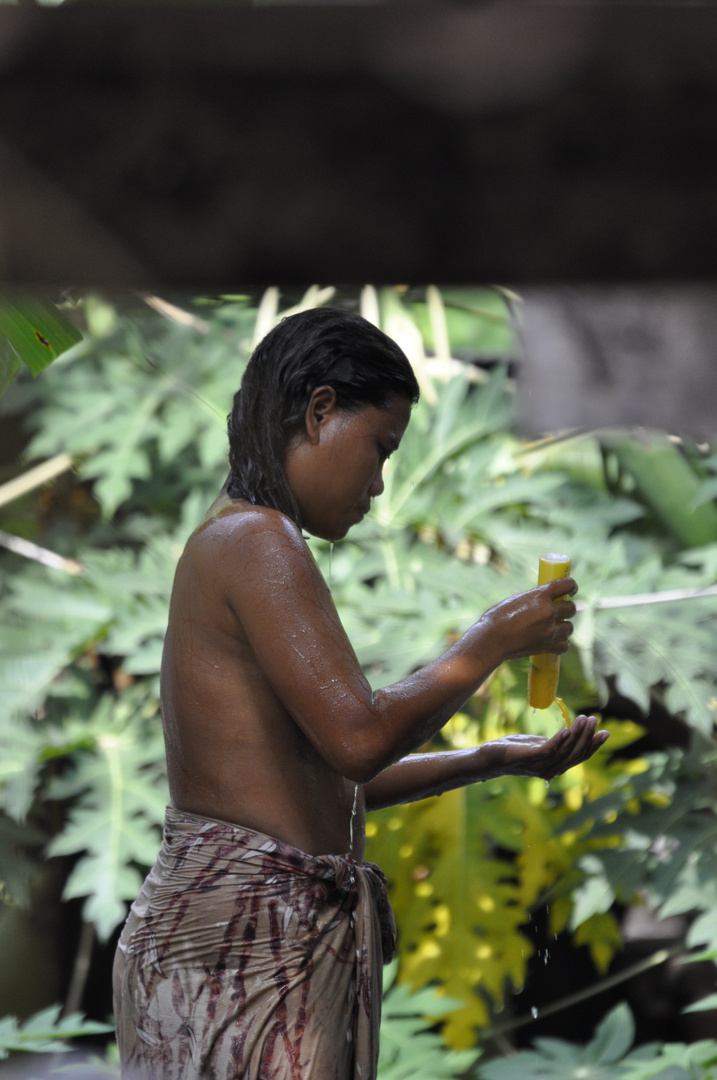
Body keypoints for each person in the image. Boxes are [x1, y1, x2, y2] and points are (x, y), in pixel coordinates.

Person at [113, 307, 609, 1080]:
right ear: (318, 411)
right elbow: (359, 739)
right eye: (379, 448)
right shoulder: (255, 540)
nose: (380, 484)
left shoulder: (240, 537)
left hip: (237, 944)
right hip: (242, 948)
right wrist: (492, 639)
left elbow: (333, 781)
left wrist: (494, 758)